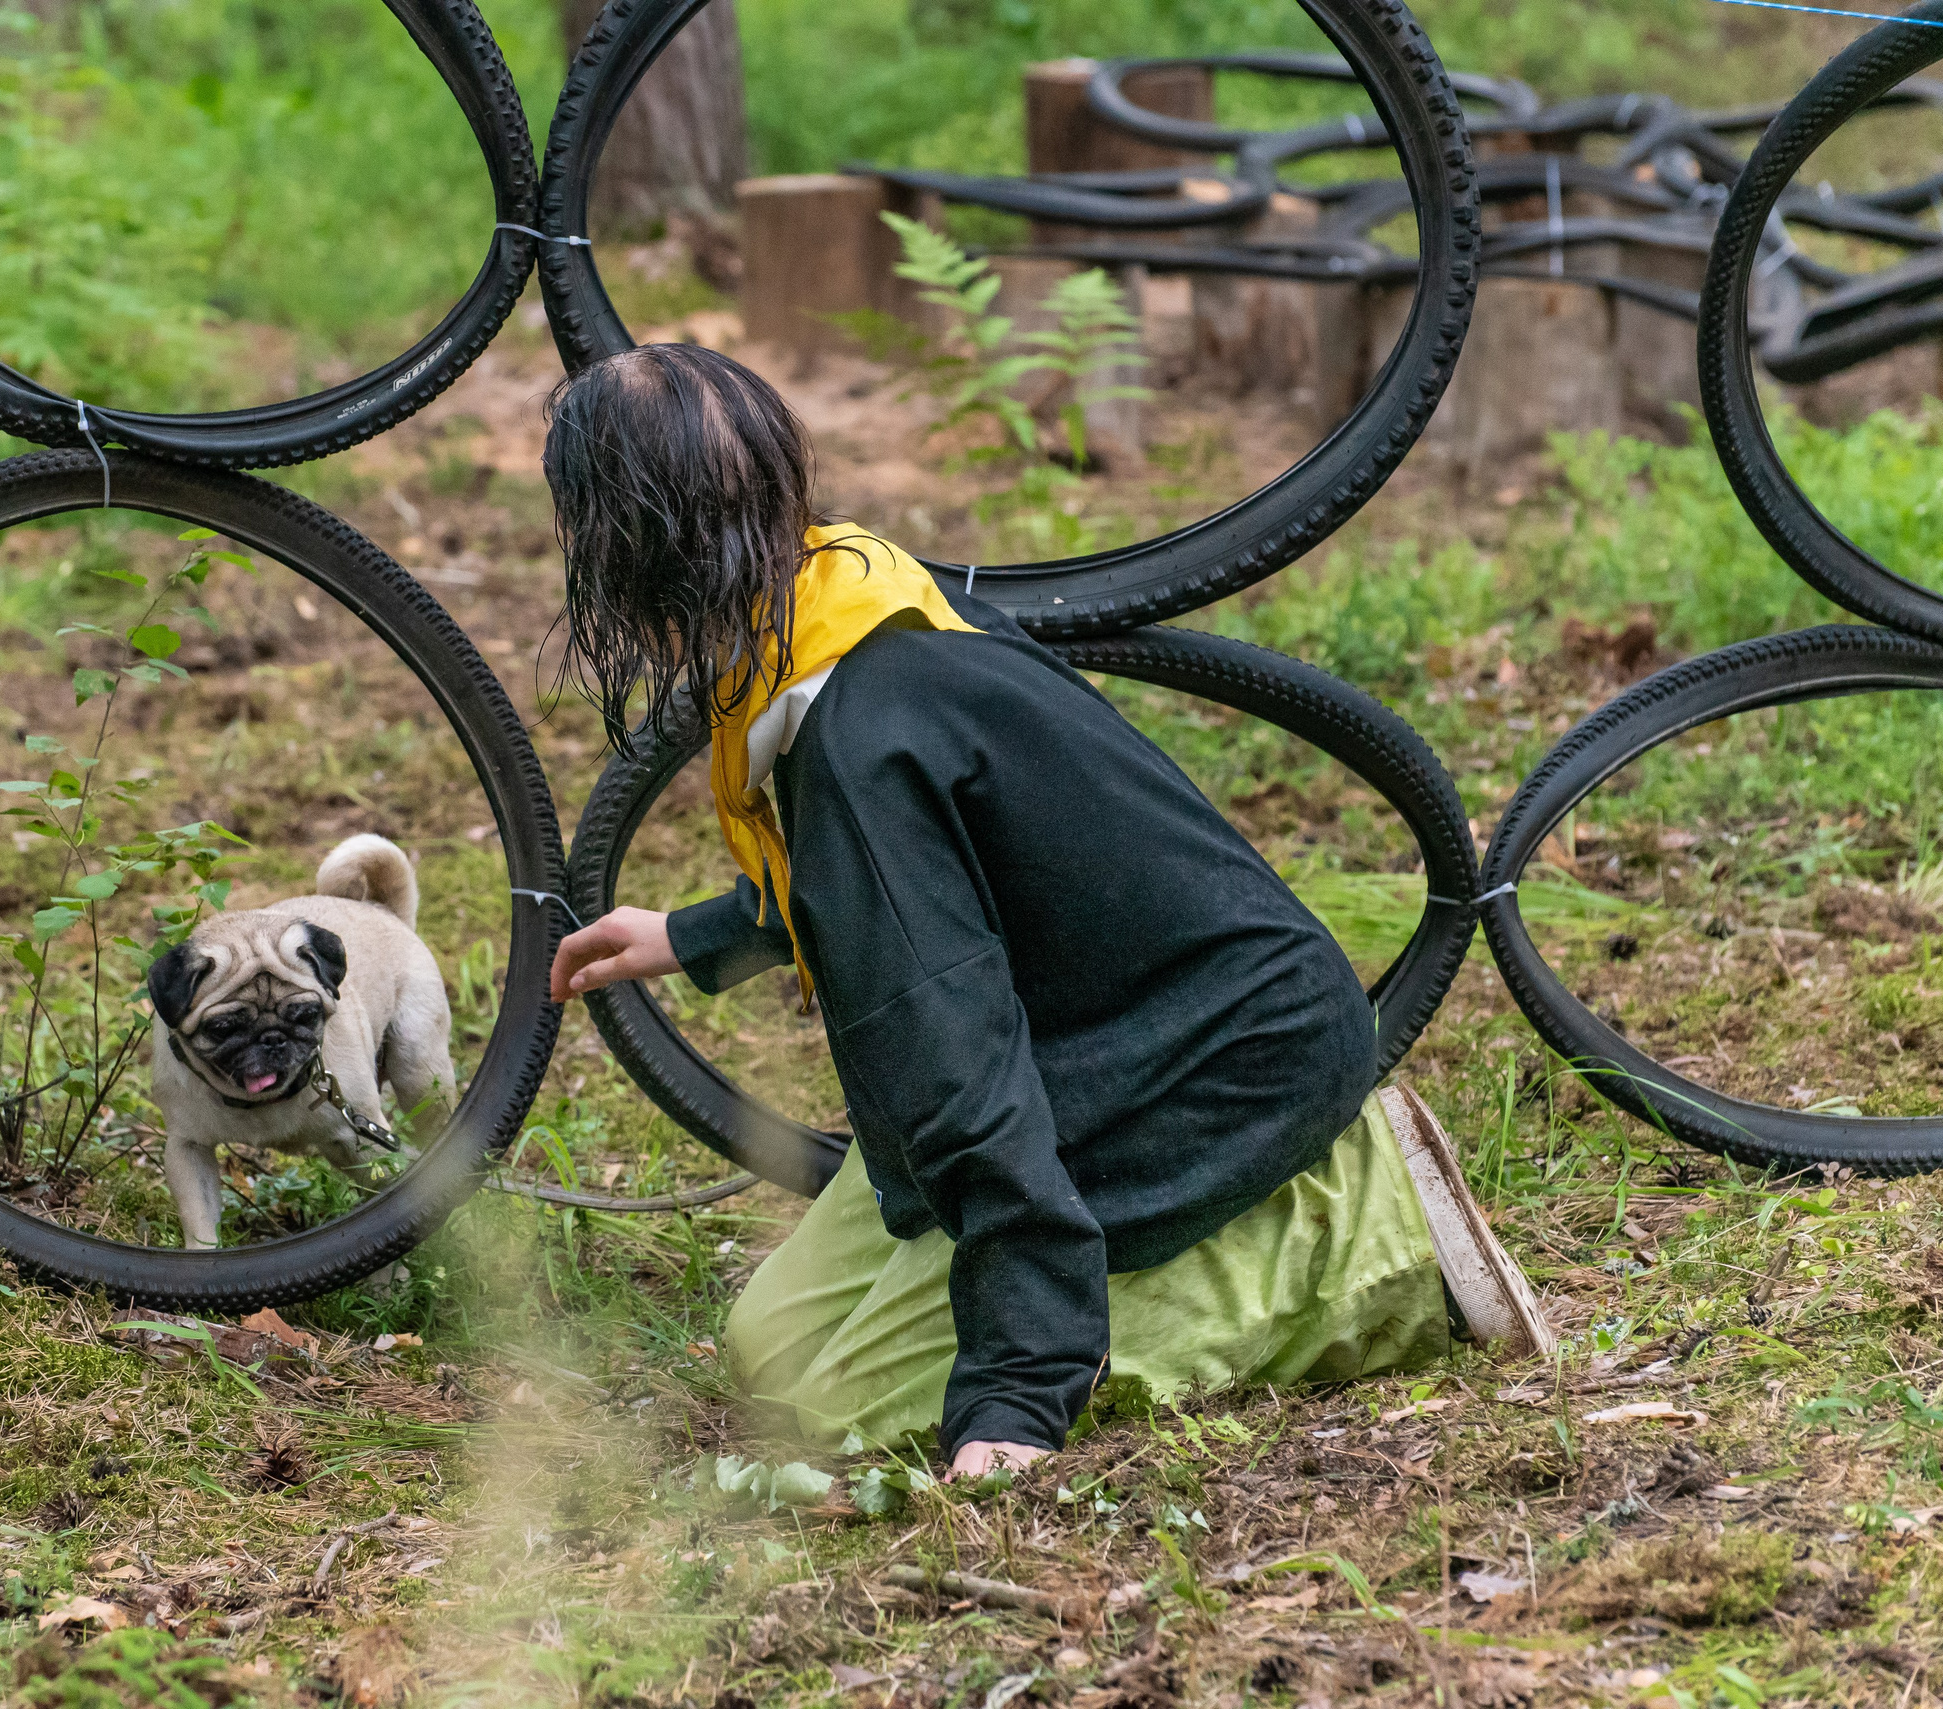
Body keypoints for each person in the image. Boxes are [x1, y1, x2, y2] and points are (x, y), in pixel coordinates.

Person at [542, 343, 1550, 1482]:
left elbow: (957, 1069)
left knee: (833, 1404)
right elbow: (928, 875)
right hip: (1125, 1034)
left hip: (1219, 1066)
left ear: (627, 566)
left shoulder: (858, 743)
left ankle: (1362, 1240)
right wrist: (693, 934)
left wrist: (1015, 1393)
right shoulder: (855, 599)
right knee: (769, 1341)